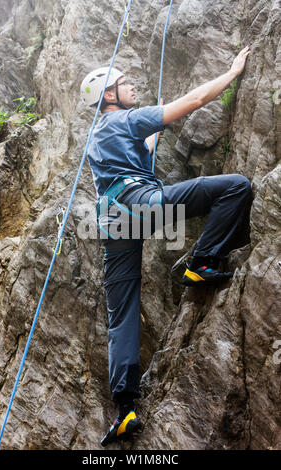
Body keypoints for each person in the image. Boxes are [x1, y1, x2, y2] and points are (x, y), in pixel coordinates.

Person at [80, 46, 252, 446]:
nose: (132, 84)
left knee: (121, 312)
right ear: (108, 96)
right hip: (140, 203)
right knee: (236, 187)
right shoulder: (124, 119)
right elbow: (194, 101)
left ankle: (124, 410)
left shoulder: (99, 136)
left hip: (113, 221)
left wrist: (151, 134)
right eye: (123, 83)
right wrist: (232, 72)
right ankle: (203, 261)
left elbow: (139, 158)